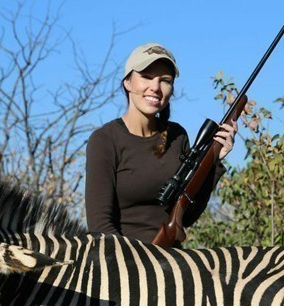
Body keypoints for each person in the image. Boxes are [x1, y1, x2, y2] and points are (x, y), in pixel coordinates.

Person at [85, 43, 237, 243]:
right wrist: (139, 265)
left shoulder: (177, 136)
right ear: (128, 82)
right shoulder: (104, 140)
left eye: (165, 80)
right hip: (123, 264)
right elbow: (100, 227)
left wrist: (214, 161)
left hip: (172, 264)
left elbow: (187, 217)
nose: (155, 87)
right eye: (146, 77)